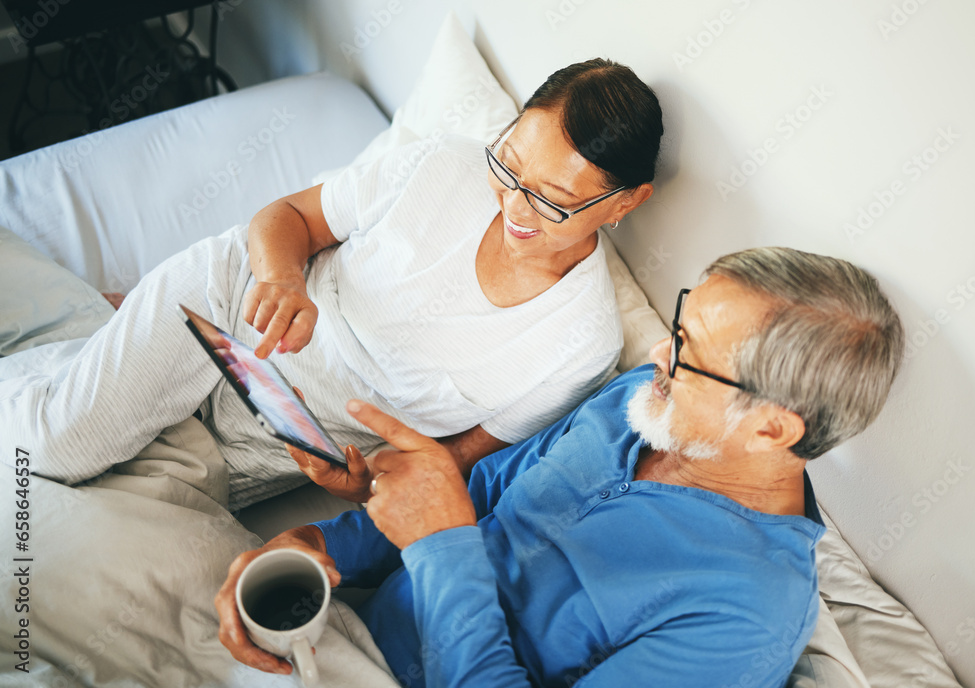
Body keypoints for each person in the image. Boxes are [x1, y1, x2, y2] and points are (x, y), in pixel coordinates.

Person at [216, 246, 905, 687]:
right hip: (336, 628)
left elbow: (448, 527)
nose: (658, 360)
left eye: (688, 355)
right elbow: (488, 487)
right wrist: (320, 546)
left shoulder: (748, 613)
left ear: (771, 428)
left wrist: (439, 546)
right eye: (677, 326)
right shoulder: (641, 403)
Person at [0, 58, 662, 509]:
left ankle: (88, 333)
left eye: (550, 201)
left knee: (85, 522)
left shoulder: (577, 345)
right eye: (508, 165)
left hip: (274, 447)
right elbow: (285, 216)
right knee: (61, 446)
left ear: (624, 204)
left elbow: (456, 459)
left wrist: (363, 484)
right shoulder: (443, 165)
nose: (513, 207)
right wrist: (282, 279)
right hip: (227, 312)